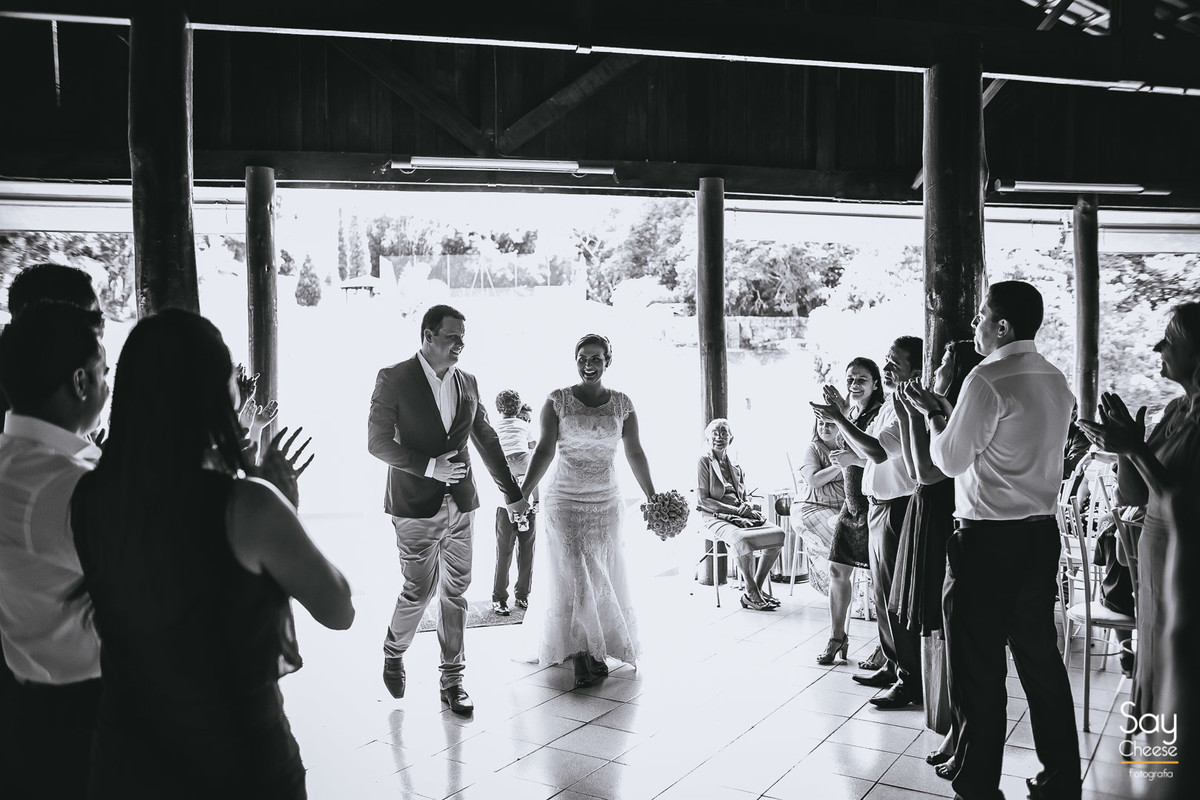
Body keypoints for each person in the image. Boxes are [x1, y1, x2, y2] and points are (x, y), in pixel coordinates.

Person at [69, 309, 355, 799]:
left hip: (127, 756)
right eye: (231, 380)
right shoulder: (248, 507)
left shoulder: (90, 497)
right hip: (234, 760)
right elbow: (338, 609)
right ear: (213, 395)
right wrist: (280, 500)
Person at [909, 280, 1081, 800]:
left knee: (977, 666)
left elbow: (951, 461)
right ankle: (1060, 779)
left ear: (1002, 325)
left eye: (982, 315)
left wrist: (936, 417)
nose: (976, 325)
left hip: (987, 543)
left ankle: (980, 783)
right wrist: (949, 413)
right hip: (1039, 539)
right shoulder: (1056, 380)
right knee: (1040, 662)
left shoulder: (986, 379)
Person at [367, 304, 528, 715]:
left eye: (463, 338)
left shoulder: (469, 382)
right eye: (452, 336)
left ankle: (452, 680)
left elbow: (488, 441)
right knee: (418, 591)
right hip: (413, 507)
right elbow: (378, 443)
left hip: (462, 504)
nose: (460, 344)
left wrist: (513, 495)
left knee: (455, 592)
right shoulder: (394, 378)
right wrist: (428, 466)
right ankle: (394, 648)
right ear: (427, 336)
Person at [0, 304, 106, 799]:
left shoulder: (15, 463)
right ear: (81, 381)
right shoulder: (58, 486)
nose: (108, 388)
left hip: (27, 701)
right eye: (105, 373)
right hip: (80, 715)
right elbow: (152, 574)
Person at [1078, 302, 1200, 723]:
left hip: (1185, 560)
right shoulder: (1175, 411)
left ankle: (1173, 768)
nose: (1157, 346)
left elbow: (1184, 505)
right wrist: (1124, 450)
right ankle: (1154, 748)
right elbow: (1135, 495)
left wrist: (1135, 447)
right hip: (1152, 552)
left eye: (1170, 340)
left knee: (1179, 659)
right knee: (1153, 647)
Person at [519, 334, 655, 688]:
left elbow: (635, 453)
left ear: (609, 360)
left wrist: (652, 495)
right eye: (582, 358)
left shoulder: (623, 404)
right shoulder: (557, 401)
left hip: (606, 501)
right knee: (574, 575)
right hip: (564, 500)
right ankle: (582, 654)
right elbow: (544, 451)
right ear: (575, 360)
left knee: (601, 576)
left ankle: (599, 647)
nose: (589, 365)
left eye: (596, 358)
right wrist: (523, 493)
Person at [814, 337, 924, 709]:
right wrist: (841, 417)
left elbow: (877, 451)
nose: (888, 367)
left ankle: (909, 680)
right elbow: (864, 448)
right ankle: (892, 666)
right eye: (887, 360)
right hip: (876, 504)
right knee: (880, 594)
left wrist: (839, 417)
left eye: (895, 362)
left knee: (894, 597)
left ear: (915, 368)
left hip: (897, 504)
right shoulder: (890, 403)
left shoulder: (908, 405)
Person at [890, 340, 983, 779]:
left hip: (946, 511)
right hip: (927, 505)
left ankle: (956, 728)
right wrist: (911, 415)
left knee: (953, 633)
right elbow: (914, 470)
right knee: (941, 629)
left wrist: (919, 414)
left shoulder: (955, 413)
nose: (936, 368)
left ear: (959, 372)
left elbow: (929, 473)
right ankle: (950, 726)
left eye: (944, 362)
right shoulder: (940, 410)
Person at [808, 359, 884, 664]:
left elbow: (885, 458)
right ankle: (837, 638)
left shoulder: (880, 413)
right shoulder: (852, 412)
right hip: (851, 503)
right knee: (838, 570)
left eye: (862, 379)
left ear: (875, 383)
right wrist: (840, 411)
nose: (855, 384)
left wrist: (851, 457)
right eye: (850, 378)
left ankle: (886, 647)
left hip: (874, 502)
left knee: (880, 581)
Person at [695, 418, 785, 611]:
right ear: (708, 438)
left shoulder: (736, 465)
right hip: (714, 515)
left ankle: (755, 590)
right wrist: (735, 510)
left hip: (739, 514)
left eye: (724, 433)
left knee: (778, 534)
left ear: (731, 438)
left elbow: (743, 495)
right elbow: (702, 500)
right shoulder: (704, 462)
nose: (719, 437)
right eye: (715, 433)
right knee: (740, 539)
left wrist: (746, 505)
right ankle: (752, 591)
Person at [492, 388, 538, 616]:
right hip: (506, 505)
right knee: (505, 553)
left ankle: (522, 596)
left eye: (529, 421)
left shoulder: (518, 431)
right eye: (523, 418)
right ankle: (499, 598)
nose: (525, 423)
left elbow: (536, 461)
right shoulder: (511, 433)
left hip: (529, 502)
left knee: (527, 552)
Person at [796, 418, 847, 605]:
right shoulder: (813, 448)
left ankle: (863, 598)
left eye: (830, 423)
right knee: (840, 538)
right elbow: (814, 481)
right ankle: (839, 594)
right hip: (811, 506)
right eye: (821, 423)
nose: (824, 427)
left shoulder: (850, 446)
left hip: (841, 508)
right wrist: (840, 464)